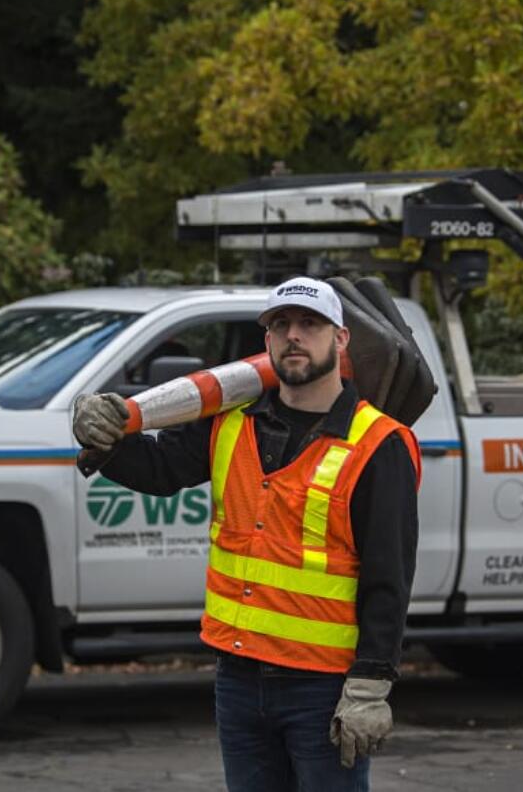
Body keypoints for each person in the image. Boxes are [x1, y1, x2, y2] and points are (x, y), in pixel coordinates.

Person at [73, 276, 421, 791]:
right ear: (267, 342)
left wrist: (370, 684)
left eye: (310, 324)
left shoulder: (378, 444)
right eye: (280, 325)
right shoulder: (232, 422)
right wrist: (107, 437)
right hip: (238, 678)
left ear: (341, 340)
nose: (294, 336)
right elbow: (161, 468)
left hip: (322, 687)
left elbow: (388, 576)